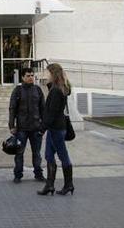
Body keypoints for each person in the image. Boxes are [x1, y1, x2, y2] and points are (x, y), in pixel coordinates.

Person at [38, 63, 74, 196]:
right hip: (57, 128)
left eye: (47, 73)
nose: (44, 75)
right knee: (48, 155)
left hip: (56, 128)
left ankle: (68, 184)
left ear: (53, 74)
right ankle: (49, 185)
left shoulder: (56, 91)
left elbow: (51, 113)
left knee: (63, 156)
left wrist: (42, 129)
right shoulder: (59, 88)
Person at [8, 67, 46, 183]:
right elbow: (12, 108)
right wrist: (11, 126)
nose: (31, 78)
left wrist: (43, 126)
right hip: (21, 129)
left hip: (36, 128)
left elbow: (43, 109)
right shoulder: (18, 90)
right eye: (28, 76)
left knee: (37, 154)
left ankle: (38, 174)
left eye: (32, 76)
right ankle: (18, 175)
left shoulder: (38, 90)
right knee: (19, 153)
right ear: (23, 77)